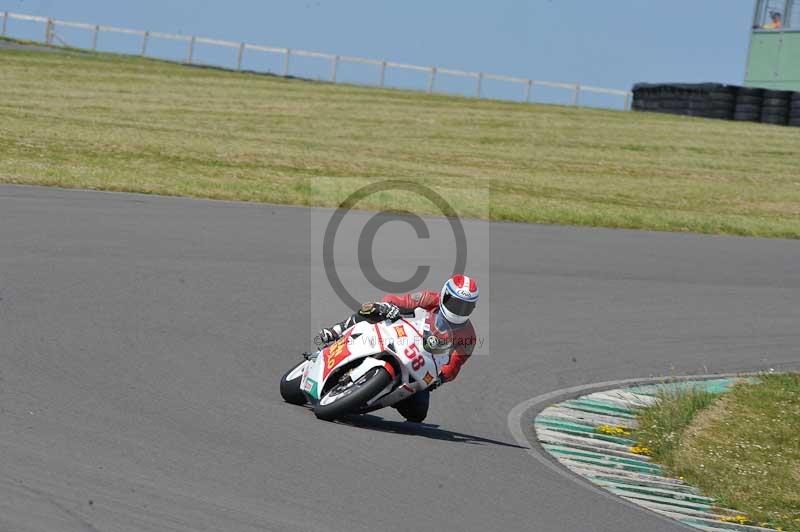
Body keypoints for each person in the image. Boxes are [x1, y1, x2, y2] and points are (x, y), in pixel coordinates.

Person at [316, 274, 479, 422]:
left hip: (421, 364)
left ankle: (388, 393)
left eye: (465, 306)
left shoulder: (468, 336)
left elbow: (455, 365)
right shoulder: (428, 298)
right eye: (455, 303)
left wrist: (440, 378)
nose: (458, 309)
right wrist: (390, 306)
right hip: (400, 336)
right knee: (373, 309)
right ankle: (338, 330)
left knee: (418, 414)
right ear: (445, 295)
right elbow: (400, 300)